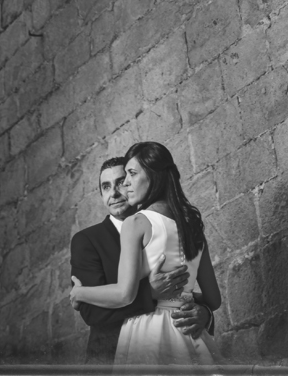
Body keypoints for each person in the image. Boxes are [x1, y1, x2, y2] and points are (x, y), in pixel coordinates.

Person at [70, 142, 222, 366]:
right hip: (110, 357)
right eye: (106, 187)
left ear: (151, 176)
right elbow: (91, 313)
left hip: (147, 337)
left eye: (125, 178)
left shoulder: (137, 224)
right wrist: (152, 293)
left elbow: (124, 293)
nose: (117, 191)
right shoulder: (87, 241)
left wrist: (204, 313)